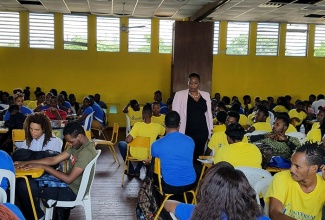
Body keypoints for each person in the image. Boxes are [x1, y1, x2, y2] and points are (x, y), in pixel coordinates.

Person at [14, 121, 97, 220]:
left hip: (71, 192)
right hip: (67, 186)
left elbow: (69, 179)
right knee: (25, 181)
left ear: (79, 136)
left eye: (71, 141)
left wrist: (44, 167)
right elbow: (53, 160)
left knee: (23, 185)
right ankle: (39, 215)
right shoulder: (77, 146)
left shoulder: (86, 152)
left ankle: (37, 216)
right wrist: (26, 163)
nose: (69, 144)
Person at [164, 162, 269, 220]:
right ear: (245, 192)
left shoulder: (195, 213)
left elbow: (168, 204)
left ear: (207, 191)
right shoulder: (261, 218)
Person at [265, 143, 325, 220]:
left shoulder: (323, 184)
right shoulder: (281, 178)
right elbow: (274, 213)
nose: (291, 170)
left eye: (297, 166)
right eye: (291, 164)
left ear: (314, 168)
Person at [151, 111, 196, 196]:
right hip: (190, 183)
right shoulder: (190, 141)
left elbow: (155, 164)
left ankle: (158, 204)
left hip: (170, 185)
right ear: (179, 124)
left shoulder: (156, 144)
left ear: (164, 124)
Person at [172, 72, 213, 162]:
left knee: (199, 156)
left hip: (202, 131)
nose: (193, 85)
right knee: (186, 155)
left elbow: (209, 114)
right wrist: (175, 130)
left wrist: (210, 130)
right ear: (187, 82)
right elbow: (175, 114)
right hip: (186, 131)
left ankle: (198, 175)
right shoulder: (179, 95)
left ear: (199, 83)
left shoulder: (206, 95)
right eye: (190, 82)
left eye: (195, 83)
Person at [118, 103, 165, 177]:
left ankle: (131, 170)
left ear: (142, 114)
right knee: (147, 149)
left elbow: (128, 140)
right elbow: (164, 133)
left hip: (135, 153)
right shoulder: (158, 127)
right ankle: (137, 170)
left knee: (121, 144)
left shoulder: (137, 125)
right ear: (151, 115)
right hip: (149, 155)